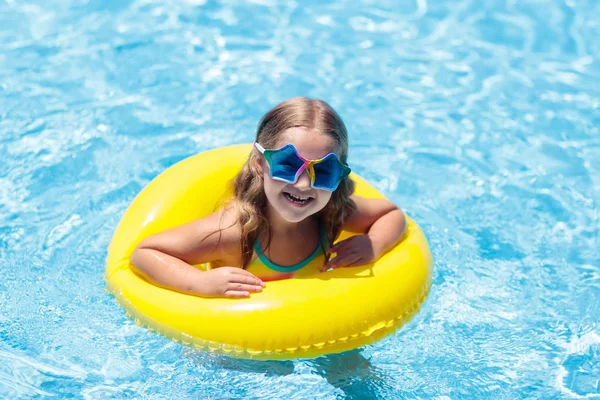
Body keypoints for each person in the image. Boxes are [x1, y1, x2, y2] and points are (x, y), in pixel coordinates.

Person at [131, 97, 406, 298]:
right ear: (260, 164)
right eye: (288, 165)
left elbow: (392, 214)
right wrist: (198, 282)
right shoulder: (232, 233)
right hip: (236, 335)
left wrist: (374, 243)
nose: (303, 184)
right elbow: (146, 253)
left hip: (313, 326)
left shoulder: (332, 213)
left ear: (339, 177)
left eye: (323, 171)